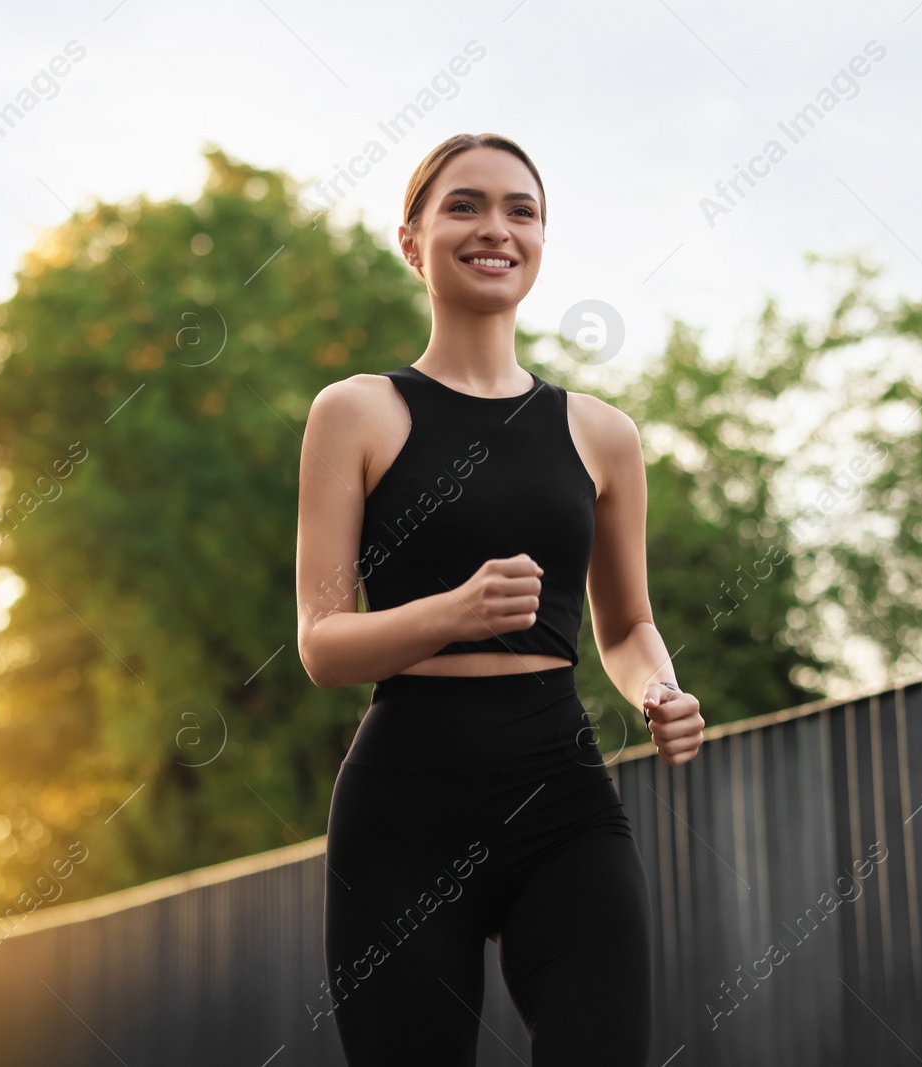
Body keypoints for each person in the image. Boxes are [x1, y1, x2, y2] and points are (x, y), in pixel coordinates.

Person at [295, 132, 705, 1065]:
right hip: (402, 807)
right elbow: (321, 643)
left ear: (542, 241)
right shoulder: (356, 412)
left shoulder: (603, 434)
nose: (497, 228)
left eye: (521, 210)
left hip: (560, 793)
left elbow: (628, 625)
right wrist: (454, 610)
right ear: (413, 240)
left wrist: (658, 693)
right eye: (465, 205)